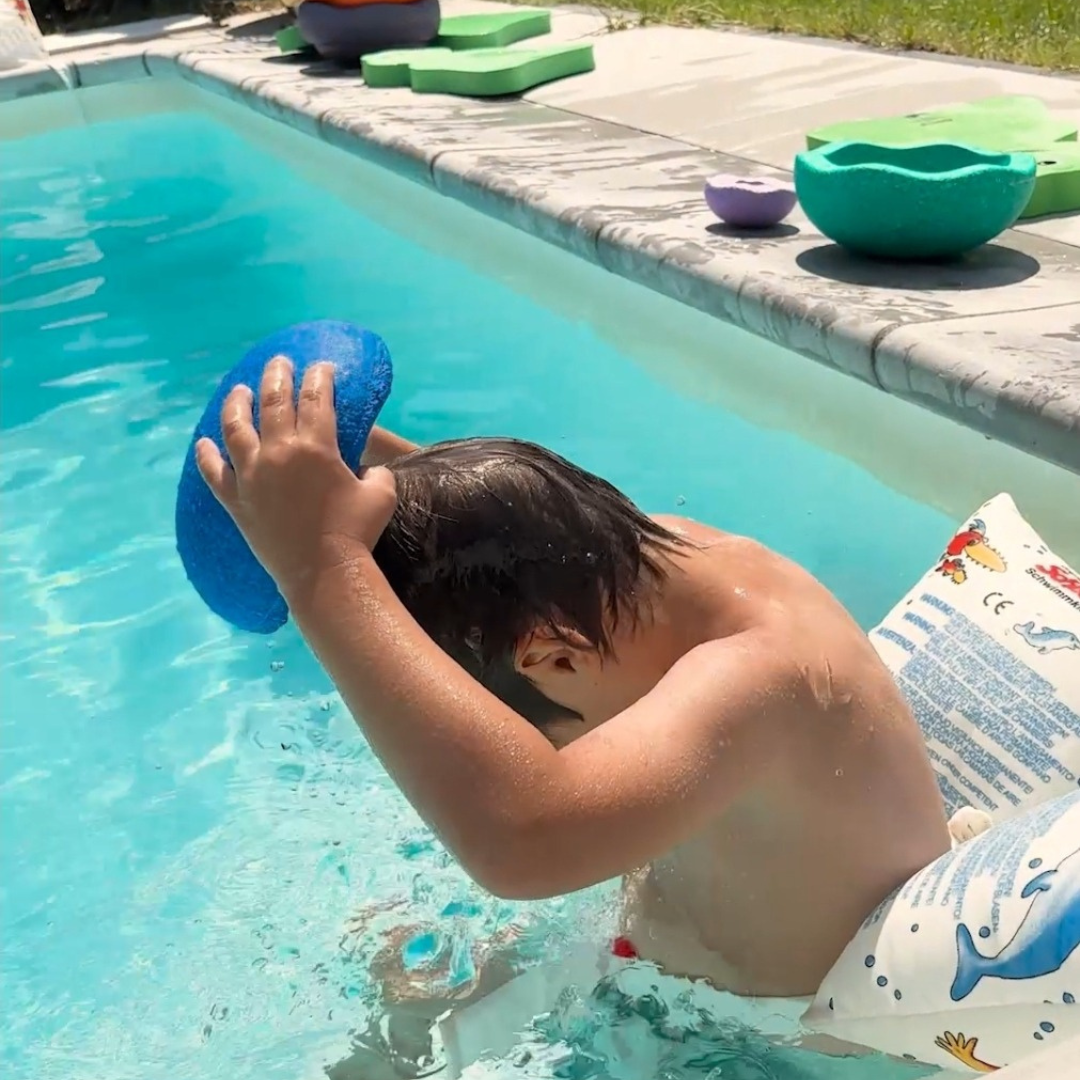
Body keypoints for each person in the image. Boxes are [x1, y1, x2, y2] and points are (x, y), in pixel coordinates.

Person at [197, 358, 958, 1061]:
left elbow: (525, 839)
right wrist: (337, 490)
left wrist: (320, 568)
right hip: (670, 977)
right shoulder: (637, 562)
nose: (507, 745)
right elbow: (487, 530)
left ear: (553, 657)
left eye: (518, 731)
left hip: (778, 1052)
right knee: (396, 1012)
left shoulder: (765, 673)